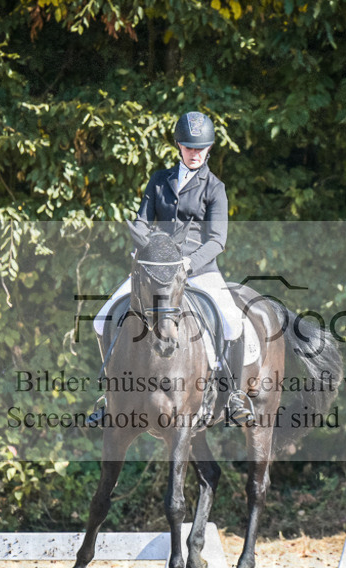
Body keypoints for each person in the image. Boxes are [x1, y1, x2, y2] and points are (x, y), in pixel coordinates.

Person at [93, 111, 253, 424]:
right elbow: (142, 221)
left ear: (209, 149)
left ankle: (233, 395)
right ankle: (108, 394)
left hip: (199, 270)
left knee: (233, 321)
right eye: (190, 147)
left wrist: (188, 263)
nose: (195, 153)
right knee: (102, 318)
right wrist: (144, 244)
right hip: (155, 270)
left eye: (201, 148)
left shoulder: (214, 188)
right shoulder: (158, 180)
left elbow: (218, 240)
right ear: (179, 146)